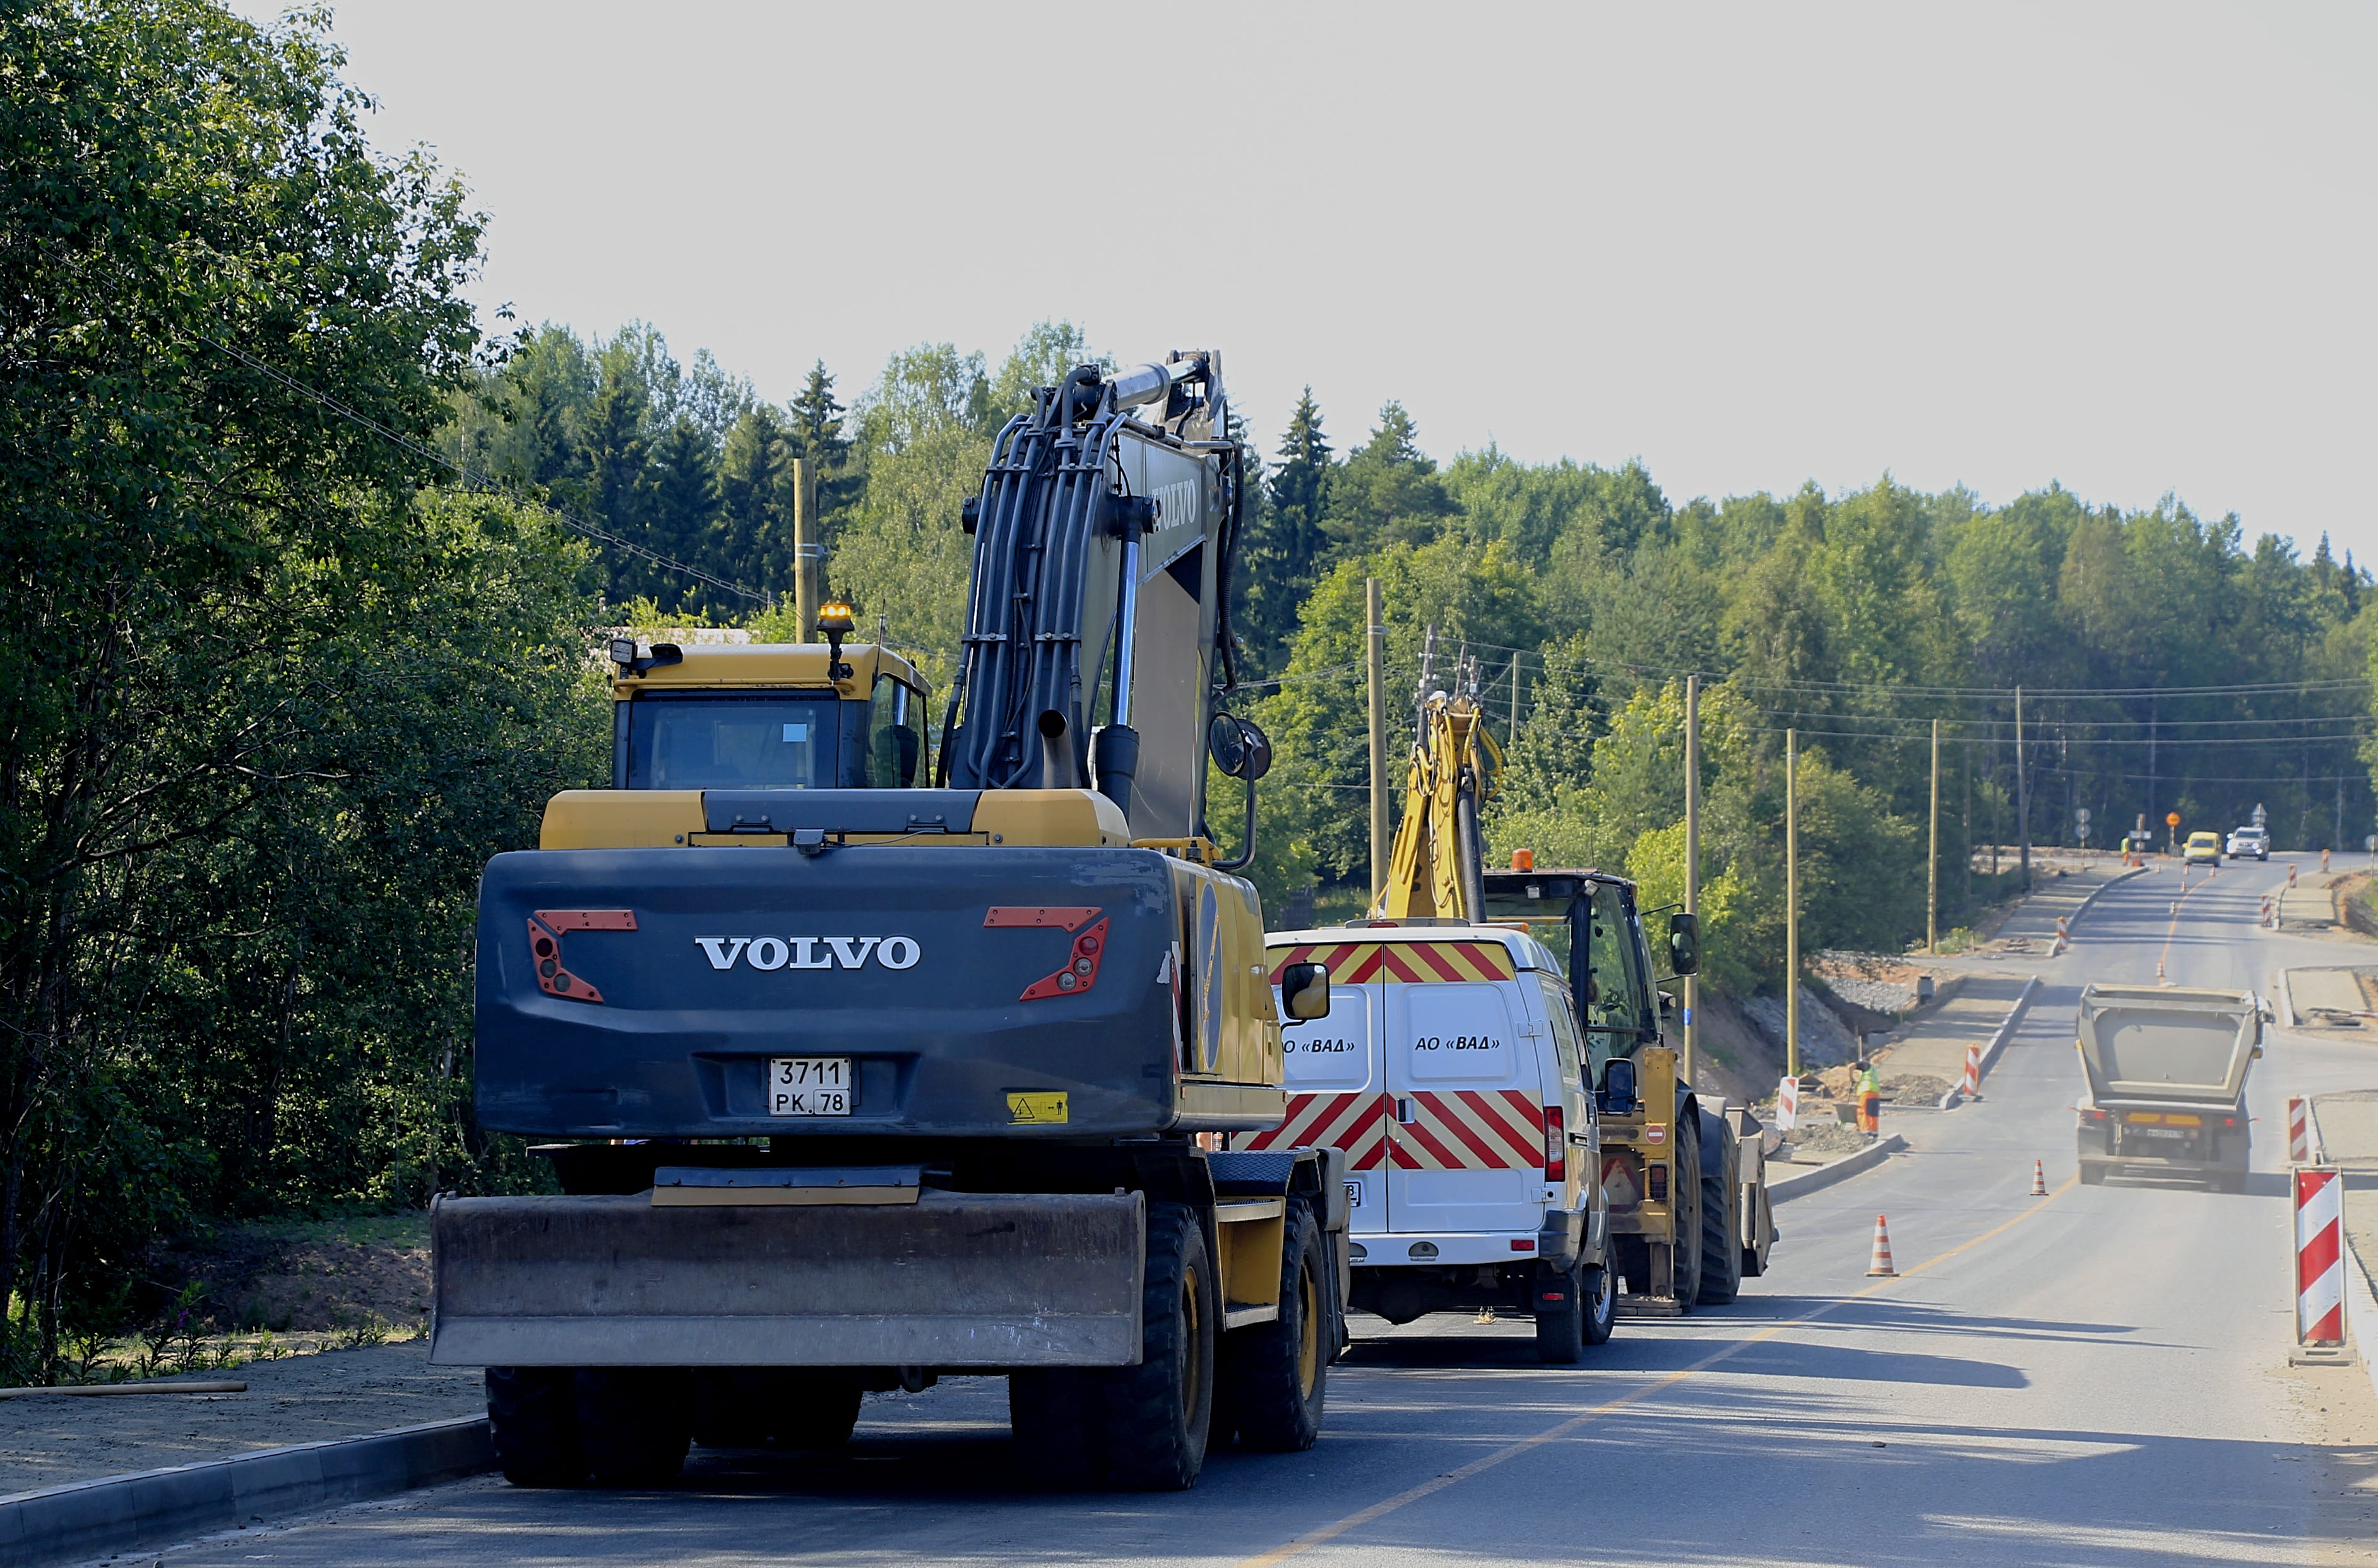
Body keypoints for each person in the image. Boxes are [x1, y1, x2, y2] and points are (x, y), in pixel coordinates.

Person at [1857, 1059, 1882, 1140]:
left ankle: (1865, 1132)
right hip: (1875, 1093)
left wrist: (1851, 1078)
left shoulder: (1865, 1065)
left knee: (1863, 1112)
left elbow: (1851, 1066)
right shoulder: (1873, 1070)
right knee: (1873, 1114)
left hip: (1866, 1092)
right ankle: (1874, 1133)